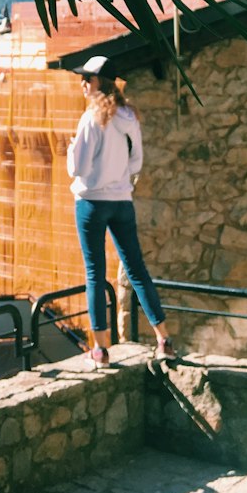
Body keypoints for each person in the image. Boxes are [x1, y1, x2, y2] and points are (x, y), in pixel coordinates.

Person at [66, 54, 175, 370]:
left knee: (94, 273)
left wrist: (72, 150)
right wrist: (117, 178)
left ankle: (100, 349)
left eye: (87, 78)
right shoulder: (129, 116)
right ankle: (163, 339)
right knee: (137, 269)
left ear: (98, 82)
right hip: (122, 200)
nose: (83, 83)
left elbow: (79, 167)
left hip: (91, 202)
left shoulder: (91, 119)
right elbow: (137, 162)